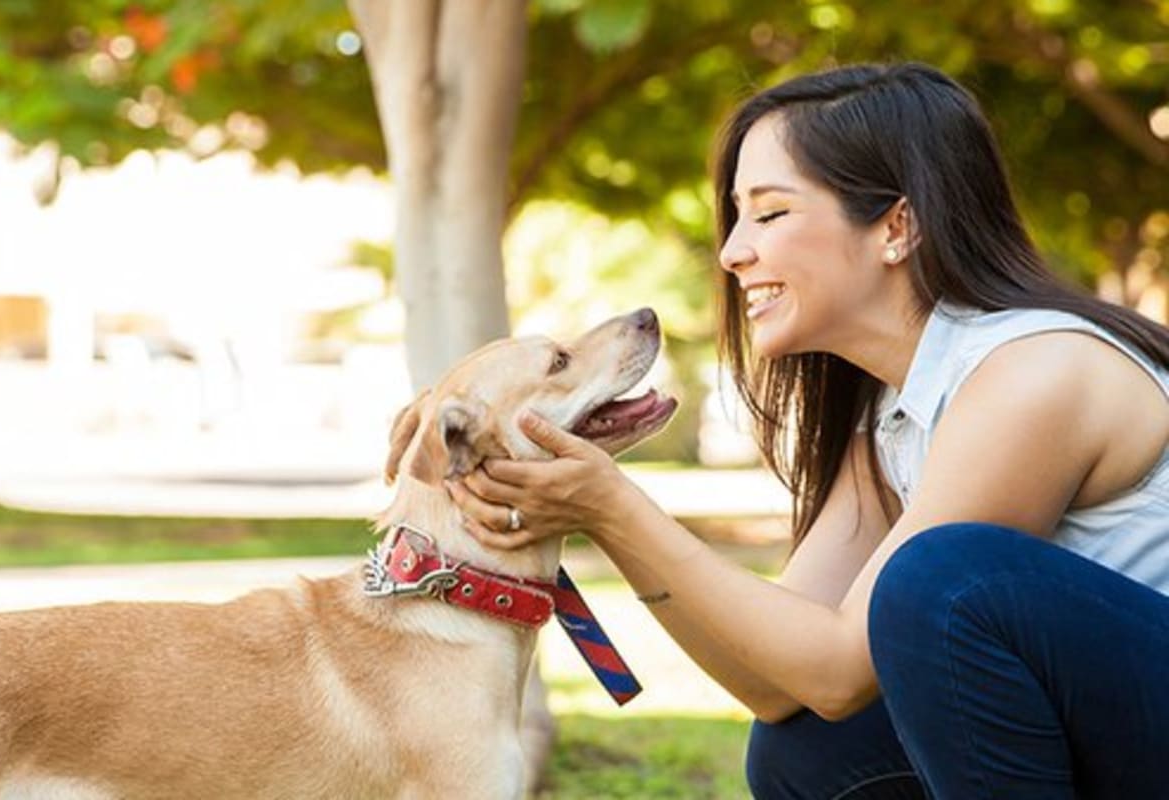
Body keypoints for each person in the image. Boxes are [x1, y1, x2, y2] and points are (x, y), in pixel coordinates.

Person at [444, 62, 1169, 798]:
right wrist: (604, 516)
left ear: (896, 225)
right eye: (736, 215)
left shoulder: (1034, 374)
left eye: (769, 213)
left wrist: (613, 506)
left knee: (941, 578)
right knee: (809, 751)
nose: (731, 251)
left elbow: (836, 666)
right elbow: (778, 684)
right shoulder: (894, 414)